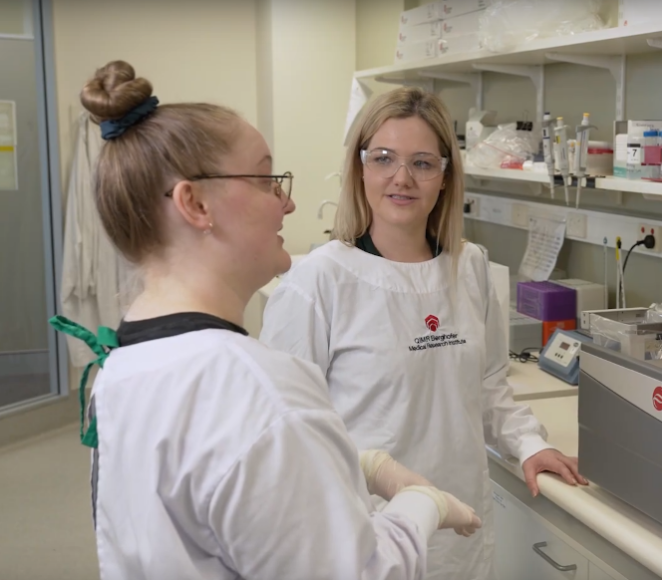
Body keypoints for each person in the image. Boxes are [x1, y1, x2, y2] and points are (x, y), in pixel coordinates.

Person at [51, 60, 481, 580]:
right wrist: (422, 504)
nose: (289, 202)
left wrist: (354, 462)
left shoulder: (126, 365)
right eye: (267, 180)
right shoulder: (261, 392)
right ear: (194, 203)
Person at [260, 86, 588, 580]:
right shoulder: (318, 281)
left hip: (460, 530)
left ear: (444, 177)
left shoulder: (470, 266)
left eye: (422, 163)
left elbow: (488, 384)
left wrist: (527, 443)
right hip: (363, 539)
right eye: (384, 158)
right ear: (359, 167)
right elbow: (286, 437)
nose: (401, 178)